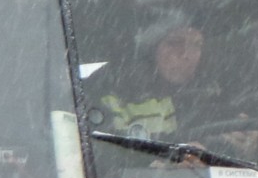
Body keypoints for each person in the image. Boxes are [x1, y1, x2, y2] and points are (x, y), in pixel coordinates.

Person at [85, 10, 212, 140]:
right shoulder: (109, 95)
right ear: (149, 49)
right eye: (174, 43)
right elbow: (107, 153)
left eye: (197, 45)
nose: (186, 54)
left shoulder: (208, 97)